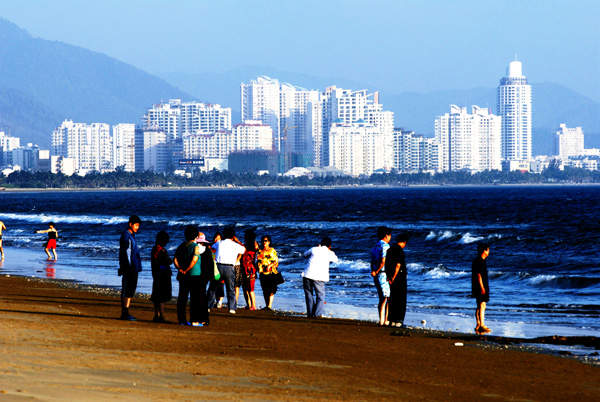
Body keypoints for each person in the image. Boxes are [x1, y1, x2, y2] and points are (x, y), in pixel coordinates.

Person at [207, 227, 245, 313]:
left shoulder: (219, 243)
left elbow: (213, 247)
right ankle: (231, 308)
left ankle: (208, 306)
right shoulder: (235, 245)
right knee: (230, 288)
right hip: (230, 267)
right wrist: (238, 241)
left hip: (218, 266)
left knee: (212, 288)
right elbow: (243, 250)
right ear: (233, 236)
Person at [174, 226, 204, 327]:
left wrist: (180, 269)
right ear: (196, 236)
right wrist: (187, 269)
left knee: (182, 297)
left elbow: (175, 260)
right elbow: (194, 259)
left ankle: (181, 320)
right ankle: (194, 320)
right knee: (195, 299)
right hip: (194, 275)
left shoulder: (181, 246)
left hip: (182, 275)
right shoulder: (195, 246)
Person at [302, 236, 338, 318]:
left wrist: (317, 248)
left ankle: (310, 314)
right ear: (330, 246)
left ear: (321, 244)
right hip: (319, 276)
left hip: (307, 273)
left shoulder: (314, 249)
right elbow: (336, 259)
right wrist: (330, 251)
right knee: (320, 295)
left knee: (309, 294)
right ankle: (317, 314)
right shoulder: (330, 253)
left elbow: (305, 255)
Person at [118, 215, 142, 321]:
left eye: (138, 226)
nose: (137, 227)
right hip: (129, 267)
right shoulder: (126, 235)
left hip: (134, 267)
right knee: (126, 290)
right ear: (130, 224)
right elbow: (126, 252)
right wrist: (126, 266)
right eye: (136, 225)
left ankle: (127, 311)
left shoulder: (131, 235)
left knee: (131, 290)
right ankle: (124, 313)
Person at [386, 233, 409, 328]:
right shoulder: (399, 250)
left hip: (390, 276)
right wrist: (394, 277)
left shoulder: (390, 249)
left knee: (392, 298)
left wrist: (389, 277)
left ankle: (391, 320)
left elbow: (387, 264)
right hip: (399, 277)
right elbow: (398, 265)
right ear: (404, 242)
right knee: (401, 299)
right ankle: (399, 321)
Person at [150, 230, 173, 324]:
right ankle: (162, 316)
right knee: (162, 296)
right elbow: (168, 261)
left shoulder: (154, 249)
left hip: (156, 274)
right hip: (163, 275)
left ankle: (157, 314)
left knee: (156, 295)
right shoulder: (162, 251)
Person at [370, 226, 391, 326]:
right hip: (383, 273)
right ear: (386, 235)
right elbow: (383, 261)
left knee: (381, 298)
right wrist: (378, 270)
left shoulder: (375, 247)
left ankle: (381, 319)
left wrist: (374, 271)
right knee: (386, 297)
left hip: (376, 275)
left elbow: (372, 261)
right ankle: (384, 320)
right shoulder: (385, 246)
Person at [472, 243, 491, 334]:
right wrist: (482, 287)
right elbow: (478, 275)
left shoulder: (478, 260)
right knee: (482, 304)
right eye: (488, 250)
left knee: (479, 305)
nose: (489, 251)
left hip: (476, 286)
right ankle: (482, 325)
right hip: (480, 286)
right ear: (484, 251)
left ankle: (478, 324)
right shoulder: (479, 261)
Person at [257, 234, 279, 311]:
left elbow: (276, 261)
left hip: (271, 272)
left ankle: (269, 305)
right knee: (265, 290)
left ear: (269, 242)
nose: (264, 242)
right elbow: (258, 262)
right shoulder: (260, 251)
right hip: (262, 273)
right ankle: (267, 305)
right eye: (263, 241)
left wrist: (270, 265)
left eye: (266, 241)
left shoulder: (272, 250)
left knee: (271, 290)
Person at [241, 230, 258, 310]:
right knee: (247, 288)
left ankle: (252, 305)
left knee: (249, 289)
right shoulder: (252, 246)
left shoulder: (251, 246)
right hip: (248, 269)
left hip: (249, 269)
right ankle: (250, 305)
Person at [210, 232, 225, 308]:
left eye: (218, 238)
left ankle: (220, 301)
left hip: (219, 267)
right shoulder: (211, 247)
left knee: (221, 285)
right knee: (213, 285)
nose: (216, 239)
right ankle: (216, 301)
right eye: (215, 238)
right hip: (213, 268)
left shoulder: (221, 247)